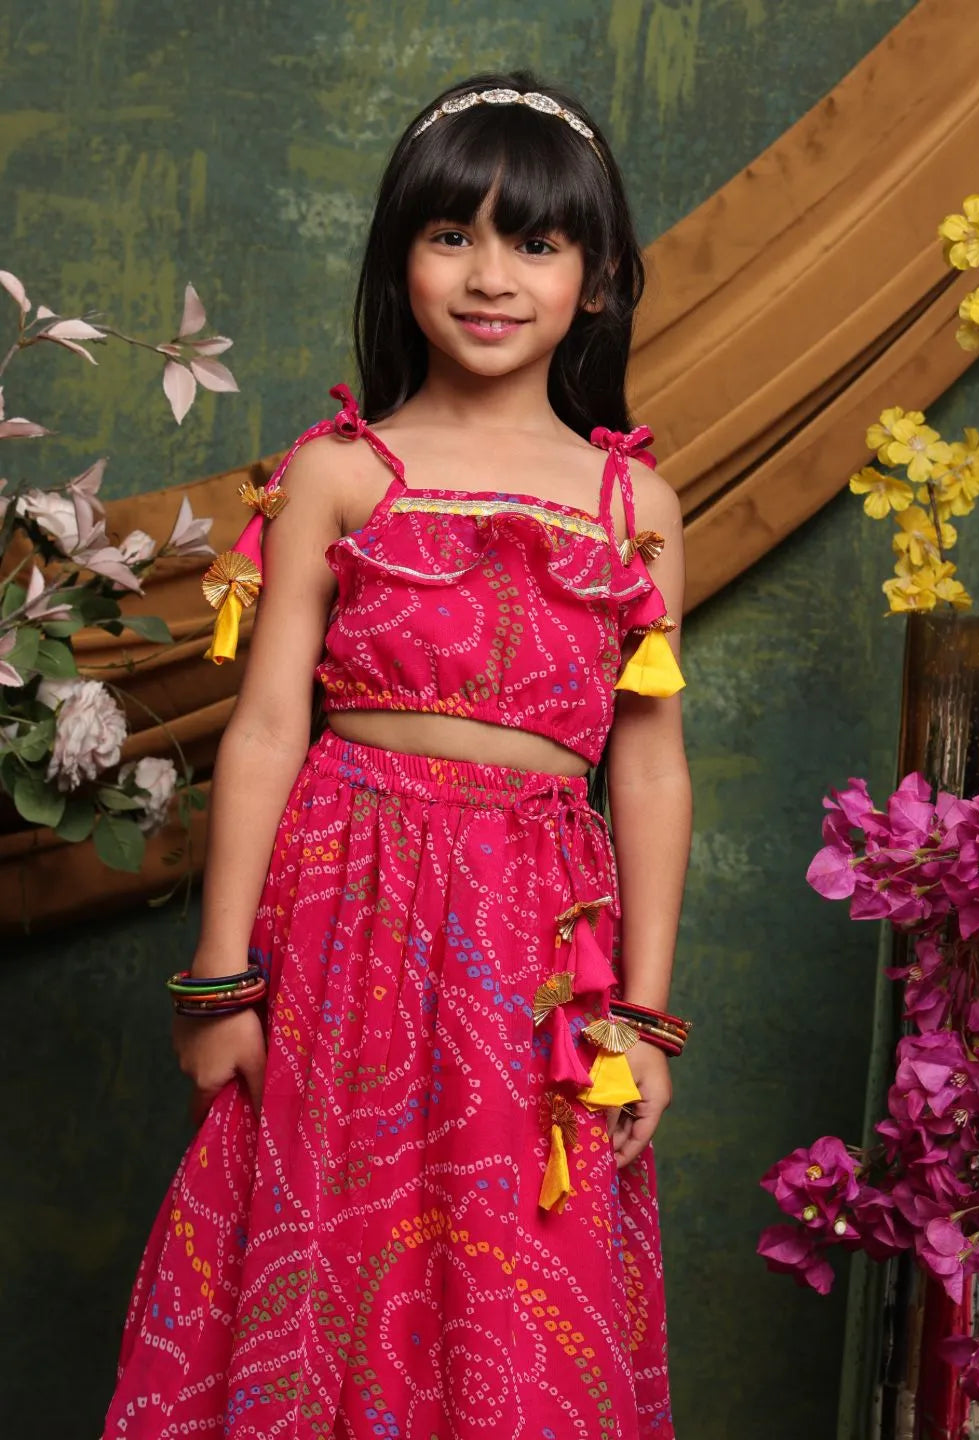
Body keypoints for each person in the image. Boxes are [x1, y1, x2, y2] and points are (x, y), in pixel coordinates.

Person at [103, 69, 694, 1440]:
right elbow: (267, 728)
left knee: (516, 1277)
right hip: (342, 924)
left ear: (598, 279)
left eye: (534, 243)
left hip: (538, 952)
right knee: (321, 1252)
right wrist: (220, 981)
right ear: (397, 257)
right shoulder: (339, 472)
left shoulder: (634, 504)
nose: (490, 277)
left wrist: (645, 1020)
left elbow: (652, 769)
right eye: (450, 236)